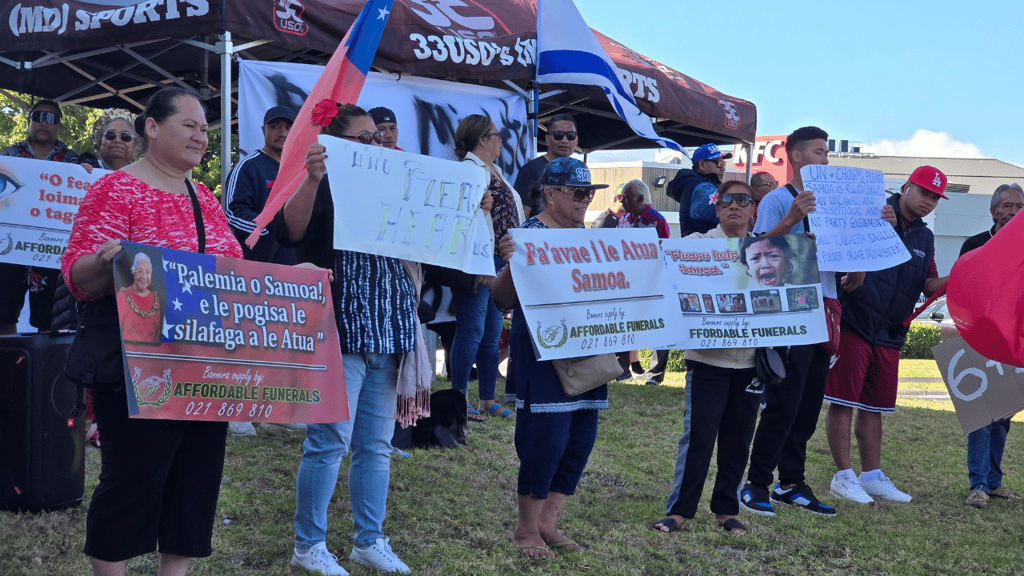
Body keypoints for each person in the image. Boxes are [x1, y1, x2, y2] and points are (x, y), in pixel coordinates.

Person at [62, 87, 243, 576]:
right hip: (137, 364)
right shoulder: (115, 190)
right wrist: (101, 263)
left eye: (205, 129)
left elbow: (235, 271)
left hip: (203, 364)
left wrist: (293, 280)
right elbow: (77, 276)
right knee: (132, 483)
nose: (201, 137)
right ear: (152, 127)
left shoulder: (204, 197)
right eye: (190, 125)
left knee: (195, 484)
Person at [282, 104, 445, 576]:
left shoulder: (400, 184)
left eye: (378, 136)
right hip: (341, 331)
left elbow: (435, 241)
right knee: (329, 442)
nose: (377, 143)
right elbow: (290, 233)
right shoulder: (324, 183)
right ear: (336, 144)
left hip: (390, 330)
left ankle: (368, 541)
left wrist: (467, 214)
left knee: (376, 445)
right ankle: (308, 546)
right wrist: (312, 179)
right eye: (364, 138)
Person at [492, 156, 609, 557]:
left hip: (588, 348)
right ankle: (526, 529)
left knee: (580, 438)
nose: (586, 200)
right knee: (546, 440)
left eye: (589, 193)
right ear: (551, 193)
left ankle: (548, 523)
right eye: (578, 193)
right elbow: (501, 299)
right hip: (544, 353)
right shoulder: (529, 234)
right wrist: (512, 265)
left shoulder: (588, 236)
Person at [739, 126, 859, 519]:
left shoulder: (831, 204)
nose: (825, 158)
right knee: (784, 402)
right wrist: (792, 218)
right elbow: (757, 250)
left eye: (827, 152)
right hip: (790, 310)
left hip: (824, 307)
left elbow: (840, 252)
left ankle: (791, 482)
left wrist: (859, 264)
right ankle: (756, 483)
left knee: (808, 404)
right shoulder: (778, 199)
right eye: (819, 151)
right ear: (795, 156)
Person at [824, 166, 949, 505]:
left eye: (935, 197)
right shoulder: (874, 211)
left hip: (891, 331)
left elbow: (928, 285)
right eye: (924, 192)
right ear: (906, 187)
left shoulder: (925, 237)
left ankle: (872, 475)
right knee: (843, 401)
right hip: (855, 319)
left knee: (874, 406)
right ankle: (843, 476)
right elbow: (842, 249)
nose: (929, 201)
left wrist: (960, 274)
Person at [653, 180, 762, 536]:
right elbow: (663, 260)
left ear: (752, 209)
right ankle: (680, 511)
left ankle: (726, 511)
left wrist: (803, 251)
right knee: (698, 438)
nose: (734, 205)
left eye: (742, 200)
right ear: (716, 209)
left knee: (738, 439)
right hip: (707, 361)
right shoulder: (697, 244)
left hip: (751, 363)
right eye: (726, 200)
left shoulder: (770, 249)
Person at [450, 114, 523, 421]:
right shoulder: (468, 170)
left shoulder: (493, 171)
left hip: (498, 260)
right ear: (482, 139)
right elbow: (458, 216)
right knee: (472, 329)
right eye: (496, 135)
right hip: (479, 259)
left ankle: (487, 398)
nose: (501, 140)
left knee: (491, 333)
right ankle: (458, 399)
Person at [958, 185, 1024, 508]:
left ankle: (994, 482)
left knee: (1003, 415)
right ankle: (979, 486)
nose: (1014, 212)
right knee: (980, 416)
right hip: (978, 339)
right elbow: (962, 289)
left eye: (1020, 206)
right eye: (1008, 206)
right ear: (994, 211)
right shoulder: (974, 245)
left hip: (1013, 341)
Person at [0, 99, 89, 334]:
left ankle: (43, 359)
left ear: (59, 126)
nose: (44, 123)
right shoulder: (7, 155)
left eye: (51, 118)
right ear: (30, 122)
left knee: (48, 320)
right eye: (38, 116)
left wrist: (87, 172)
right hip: (10, 247)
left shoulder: (75, 161)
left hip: (51, 253)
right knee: (3, 312)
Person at [224, 105, 299, 266]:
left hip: (296, 270)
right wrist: (268, 228)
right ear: (263, 130)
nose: (283, 133)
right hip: (256, 269)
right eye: (275, 127)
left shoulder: (299, 170)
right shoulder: (248, 167)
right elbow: (233, 213)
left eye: (288, 127)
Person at [617, 180, 670, 384]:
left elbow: (663, 250)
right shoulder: (624, 219)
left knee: (658, 324)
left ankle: (655, 374)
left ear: (639, 198)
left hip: (652, 280)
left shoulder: (656, 220)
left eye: (626, 197)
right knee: (624, 323)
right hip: (627, 280)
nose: (622, 201)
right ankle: (622, 370)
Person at [513, 113, 578, 218]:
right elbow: (521, 215)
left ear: (576, 140)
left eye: (571, 135)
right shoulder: (531, 170)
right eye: (558, 135)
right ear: (547, 139)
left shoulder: (577, 170)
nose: (564, 140)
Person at [666, 143, 731, 237]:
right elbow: (732, 217)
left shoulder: (694, 184)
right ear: (702, 165)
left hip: (702, 244)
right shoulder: (700, 188)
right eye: (719, 163)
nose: (723, 168)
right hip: (704, 245)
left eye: (723, 163)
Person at [116, 252, 161, 344]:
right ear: (134, 272)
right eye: (140, 271)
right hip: (127, 351)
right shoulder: (122, 295)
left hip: (150, 351)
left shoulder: (155, 299)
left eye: (147, 272)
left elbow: (156, 336)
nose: (144, 277)